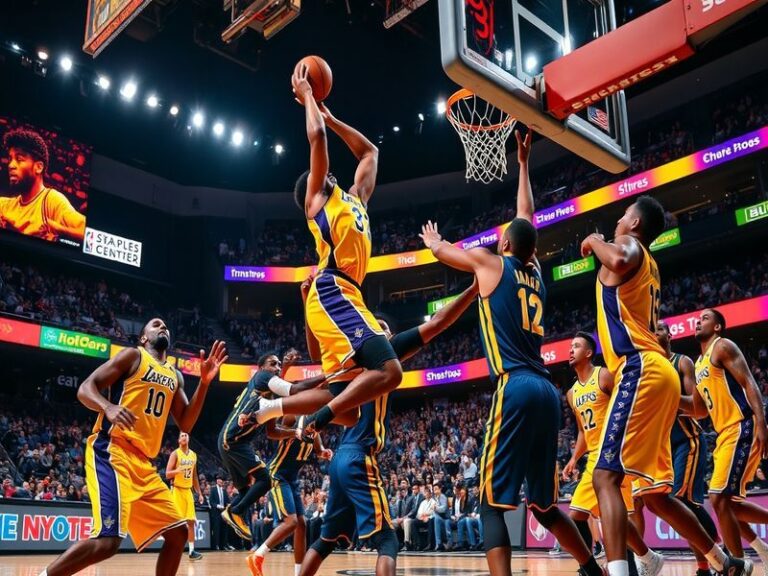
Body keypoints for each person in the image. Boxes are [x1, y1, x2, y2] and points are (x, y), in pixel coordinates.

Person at [419, 130, 602, 576]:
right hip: (546, 390)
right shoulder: (536, 271)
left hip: (515, 385)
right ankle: (590, 568)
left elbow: (447, 251)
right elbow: (526, 217)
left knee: (488, 504)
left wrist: (433, 242)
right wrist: (522, 163)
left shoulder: (490, 263)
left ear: (503, 246)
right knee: (542, 503)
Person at [581, 199, 746, 576]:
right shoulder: (650, 263)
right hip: (658, 372)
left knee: (605, 477)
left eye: (623, 216)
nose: (618, 220)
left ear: (635, 222)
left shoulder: (631, 247)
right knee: (655, 495)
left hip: (638, 366)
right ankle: (724, 562)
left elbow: (619, 260)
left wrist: (593, 239)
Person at [256, 63, 402, 434]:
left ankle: (275, 403)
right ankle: (297, 408)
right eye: (322, 174)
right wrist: (307, 96)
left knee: (349, 409)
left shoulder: (355, 199)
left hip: (348, 293)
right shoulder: (317, 202)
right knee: (389, 370)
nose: (330, 173)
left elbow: (370, 153)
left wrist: (331, 117)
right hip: (332, 289)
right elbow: (316, 139)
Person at [299, 280, 479, 576]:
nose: (378, 330)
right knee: (388, 540)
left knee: (326, 540)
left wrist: (308, 300)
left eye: (382, 327)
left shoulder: (350, 360)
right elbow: (438, 322)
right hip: (358, 454)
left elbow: (318, 352)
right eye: (375, 326)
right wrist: (472, 291)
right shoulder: (381, 352)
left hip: (340, 458)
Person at [40, 319, 227, 576]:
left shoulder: (175, 375)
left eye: (166, 326)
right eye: (156, 325)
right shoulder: (133, 356)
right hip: (112, 450)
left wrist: (204, 384)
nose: (163, 327)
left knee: (179, 533)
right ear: (143, 338)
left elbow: (185, 422)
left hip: (143, 464)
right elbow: (85, 388)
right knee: (108, 542)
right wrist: (108, 407)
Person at [562, 332, 663, 576]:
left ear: (588, 353)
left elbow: (627, 406)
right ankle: (643, 557)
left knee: (614, 519)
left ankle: (639, 560)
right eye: (570, 346)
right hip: (593, 458)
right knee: (577, 514)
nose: (570, 350)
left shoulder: (604, 375)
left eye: (576, 346)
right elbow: (583, 431)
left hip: (615, 453)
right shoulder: (571, 393)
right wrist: (574, 458)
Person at [218, 351, 328, 542]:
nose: (277, 368)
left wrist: (293, 433)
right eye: (273, 364)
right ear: (261, 368)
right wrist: (327, 376)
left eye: (279, 365)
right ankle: (234, 511)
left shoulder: (266, 396)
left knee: (247, 492)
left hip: (229, 441)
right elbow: (295, 389)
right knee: (266, 479)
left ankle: (235, 513)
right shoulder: (260, 377)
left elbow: (272, 432)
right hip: (234, 440)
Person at [690, 309, 768, 567]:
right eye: (698, 319)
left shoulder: (722, 346)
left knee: (719, 498)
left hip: (742, 424)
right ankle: (759, 552)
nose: (699, 321)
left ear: (717, 327)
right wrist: (667, 400)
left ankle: (737, 566)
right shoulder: (699, 363)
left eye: (705, 318)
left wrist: (761, 422)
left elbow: (748, 382)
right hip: (725, 434)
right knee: (728, 507)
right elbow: (699, 410)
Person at [649, 320, 719, 576]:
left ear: (669, 336)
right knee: (683, 506)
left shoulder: (682, 362)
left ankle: (714, 558)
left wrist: (666, 400)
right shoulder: (648, 370)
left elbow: (697, 408)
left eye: (660, 330)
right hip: (664, 447)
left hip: (687, 441)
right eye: (652, 330)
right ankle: (708, 563)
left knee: (680, 502)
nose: (655, 334)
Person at [247, 416, 333, 576]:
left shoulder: (315, 423)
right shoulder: (293, 416)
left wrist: (324, 452)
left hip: (292, 478)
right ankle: (258, 555)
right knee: (291, 521)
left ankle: (299, 573)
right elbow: (272, 432)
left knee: (302, 524)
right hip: (277, 474)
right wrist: (294, 432)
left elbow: (318, 448)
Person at [1, 129, 85, 241]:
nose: (11, 165)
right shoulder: (3, 205)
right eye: (10, 159)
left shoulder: (52, 201)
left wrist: (60, 232)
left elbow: (88, 233)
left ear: (39, 167)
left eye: (19, 159)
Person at [166, 431, 204, 561]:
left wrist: (199, 493)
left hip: (188, 491)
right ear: (178, 440)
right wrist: (177, 471)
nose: (184, 437)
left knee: (191, 522)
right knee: (176, 524)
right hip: (176, 490)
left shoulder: (193, 455)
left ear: (188, 439)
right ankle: (172, 550)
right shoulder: (175, 454)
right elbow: (167, 474)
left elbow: (194, 476)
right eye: (181, 435)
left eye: (186, 435)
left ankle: (192, 551)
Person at [210, 476, 231, 551]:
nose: (220, 481)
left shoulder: (224, 491)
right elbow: (211, 502)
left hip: (223, 512)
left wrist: (228, 506)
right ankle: (216, 545)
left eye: (221, 480)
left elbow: (227, 501)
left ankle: (223, 545)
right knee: (216, 529)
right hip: (216, 512)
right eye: (219, 480)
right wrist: (217, 506)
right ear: (217, 481)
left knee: (224, 528)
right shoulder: (213, 490)